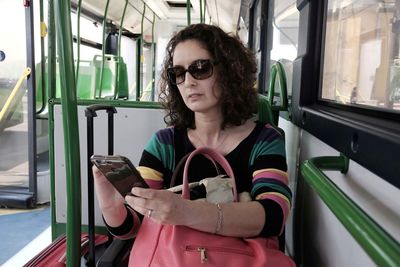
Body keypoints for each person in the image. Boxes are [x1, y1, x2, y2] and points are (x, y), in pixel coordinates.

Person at [93, 23, 292, 261]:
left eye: (200, 68)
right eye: (178, 73)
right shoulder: (164, 143)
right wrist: (110, 205)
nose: (188, 81)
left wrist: (185, 212)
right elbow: (134, 226)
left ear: (229, 71)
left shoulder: (264, 139)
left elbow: (274, 215)